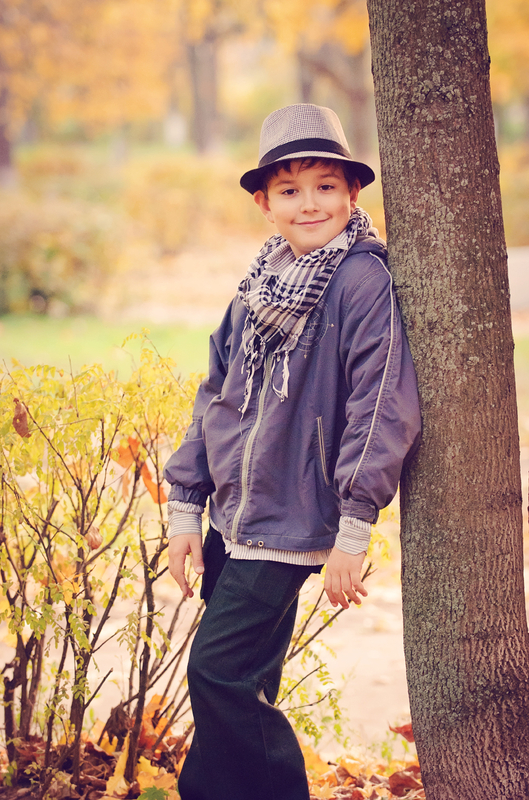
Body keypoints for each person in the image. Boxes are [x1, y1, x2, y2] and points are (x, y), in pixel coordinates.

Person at [163, 103, 421, 800]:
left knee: (216, 674)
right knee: (244, 683)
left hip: (292, 520)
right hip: (233, 519)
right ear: (264, 203)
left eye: (326, 186)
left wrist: (353, 528)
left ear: (352, 192)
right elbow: (216, 395)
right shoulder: (259, 284)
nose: (309, 204)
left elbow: (379, 404)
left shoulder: (361, 281)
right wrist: (185, 507)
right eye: (289, 189)